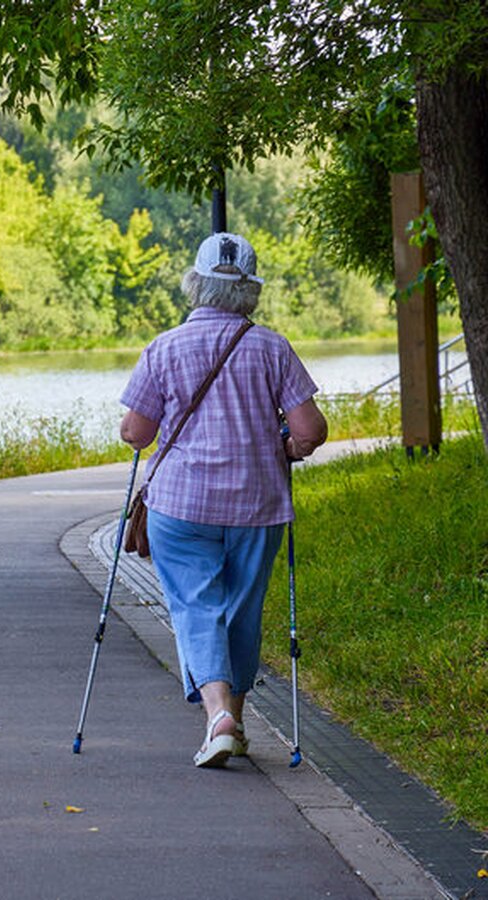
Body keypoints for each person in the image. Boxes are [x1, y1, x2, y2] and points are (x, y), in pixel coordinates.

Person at [118, 232, 328, 768]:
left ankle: (219, 718)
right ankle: (232, 719)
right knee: (242, 610)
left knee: (196, 607)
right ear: (250, 291)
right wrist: (288, 446)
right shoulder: (272, 347)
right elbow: (310, 430)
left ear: (195, 284)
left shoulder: (164, 347)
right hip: (258, 505)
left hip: (182, 507)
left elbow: (136, 433)